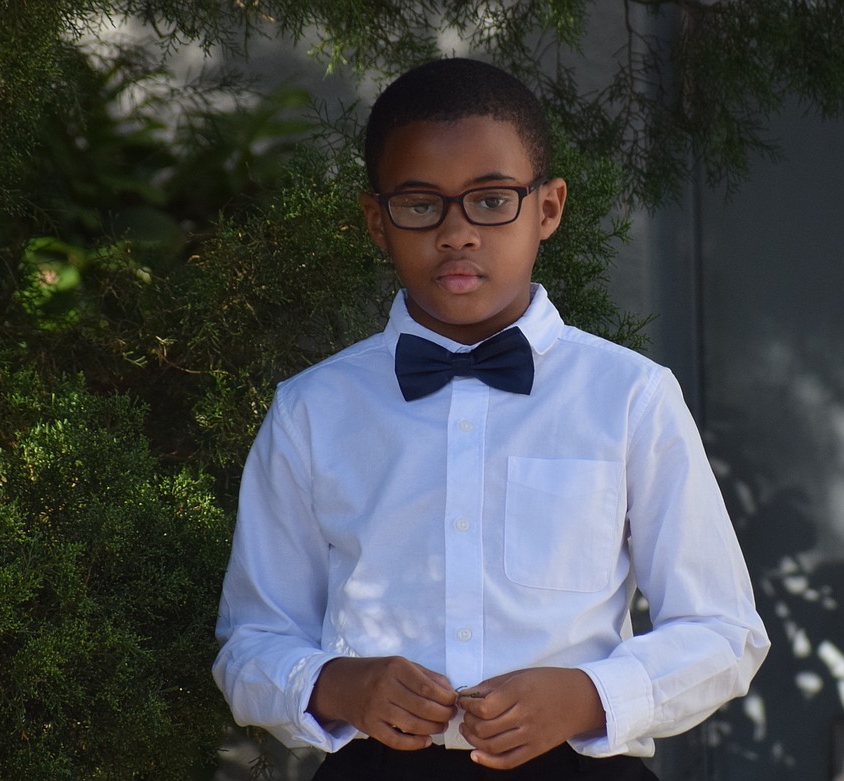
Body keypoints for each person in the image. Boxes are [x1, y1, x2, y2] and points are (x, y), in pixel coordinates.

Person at [212, 57, 769, 781]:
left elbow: (724, 630)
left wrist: (588, 693)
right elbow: (251, 640)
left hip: (580, 764)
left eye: (491, 199)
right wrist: (337, 683)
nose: (457, 233)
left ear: (548, 207)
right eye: (420, 204)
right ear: (377, 221)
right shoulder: (313, 411)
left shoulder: (630, 395)